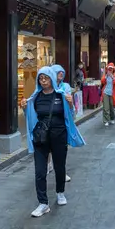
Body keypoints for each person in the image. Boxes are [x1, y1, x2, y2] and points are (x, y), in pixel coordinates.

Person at [20, 67, 85, 217]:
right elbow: (30, 116)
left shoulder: (62, 95)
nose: (43, 81)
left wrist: (70, 104)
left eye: (46, 78)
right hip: (41, 138)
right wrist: (24, 108)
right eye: (41, 79)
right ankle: (43, 203)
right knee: (40, 172)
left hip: (59, 136)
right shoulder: (35, 97)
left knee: (59, 166)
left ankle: (60, 192)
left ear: (51, 78)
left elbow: (72, 115)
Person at [51, 64, 73, 182]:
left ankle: (61, 172)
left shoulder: (66, 86)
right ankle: (49, 165)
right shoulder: (47, 86)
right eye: (58, 72)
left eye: (62, 72)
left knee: (61, 149)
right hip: (48, 122)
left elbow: (69, 106)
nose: (61, 74)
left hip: (62, 121)